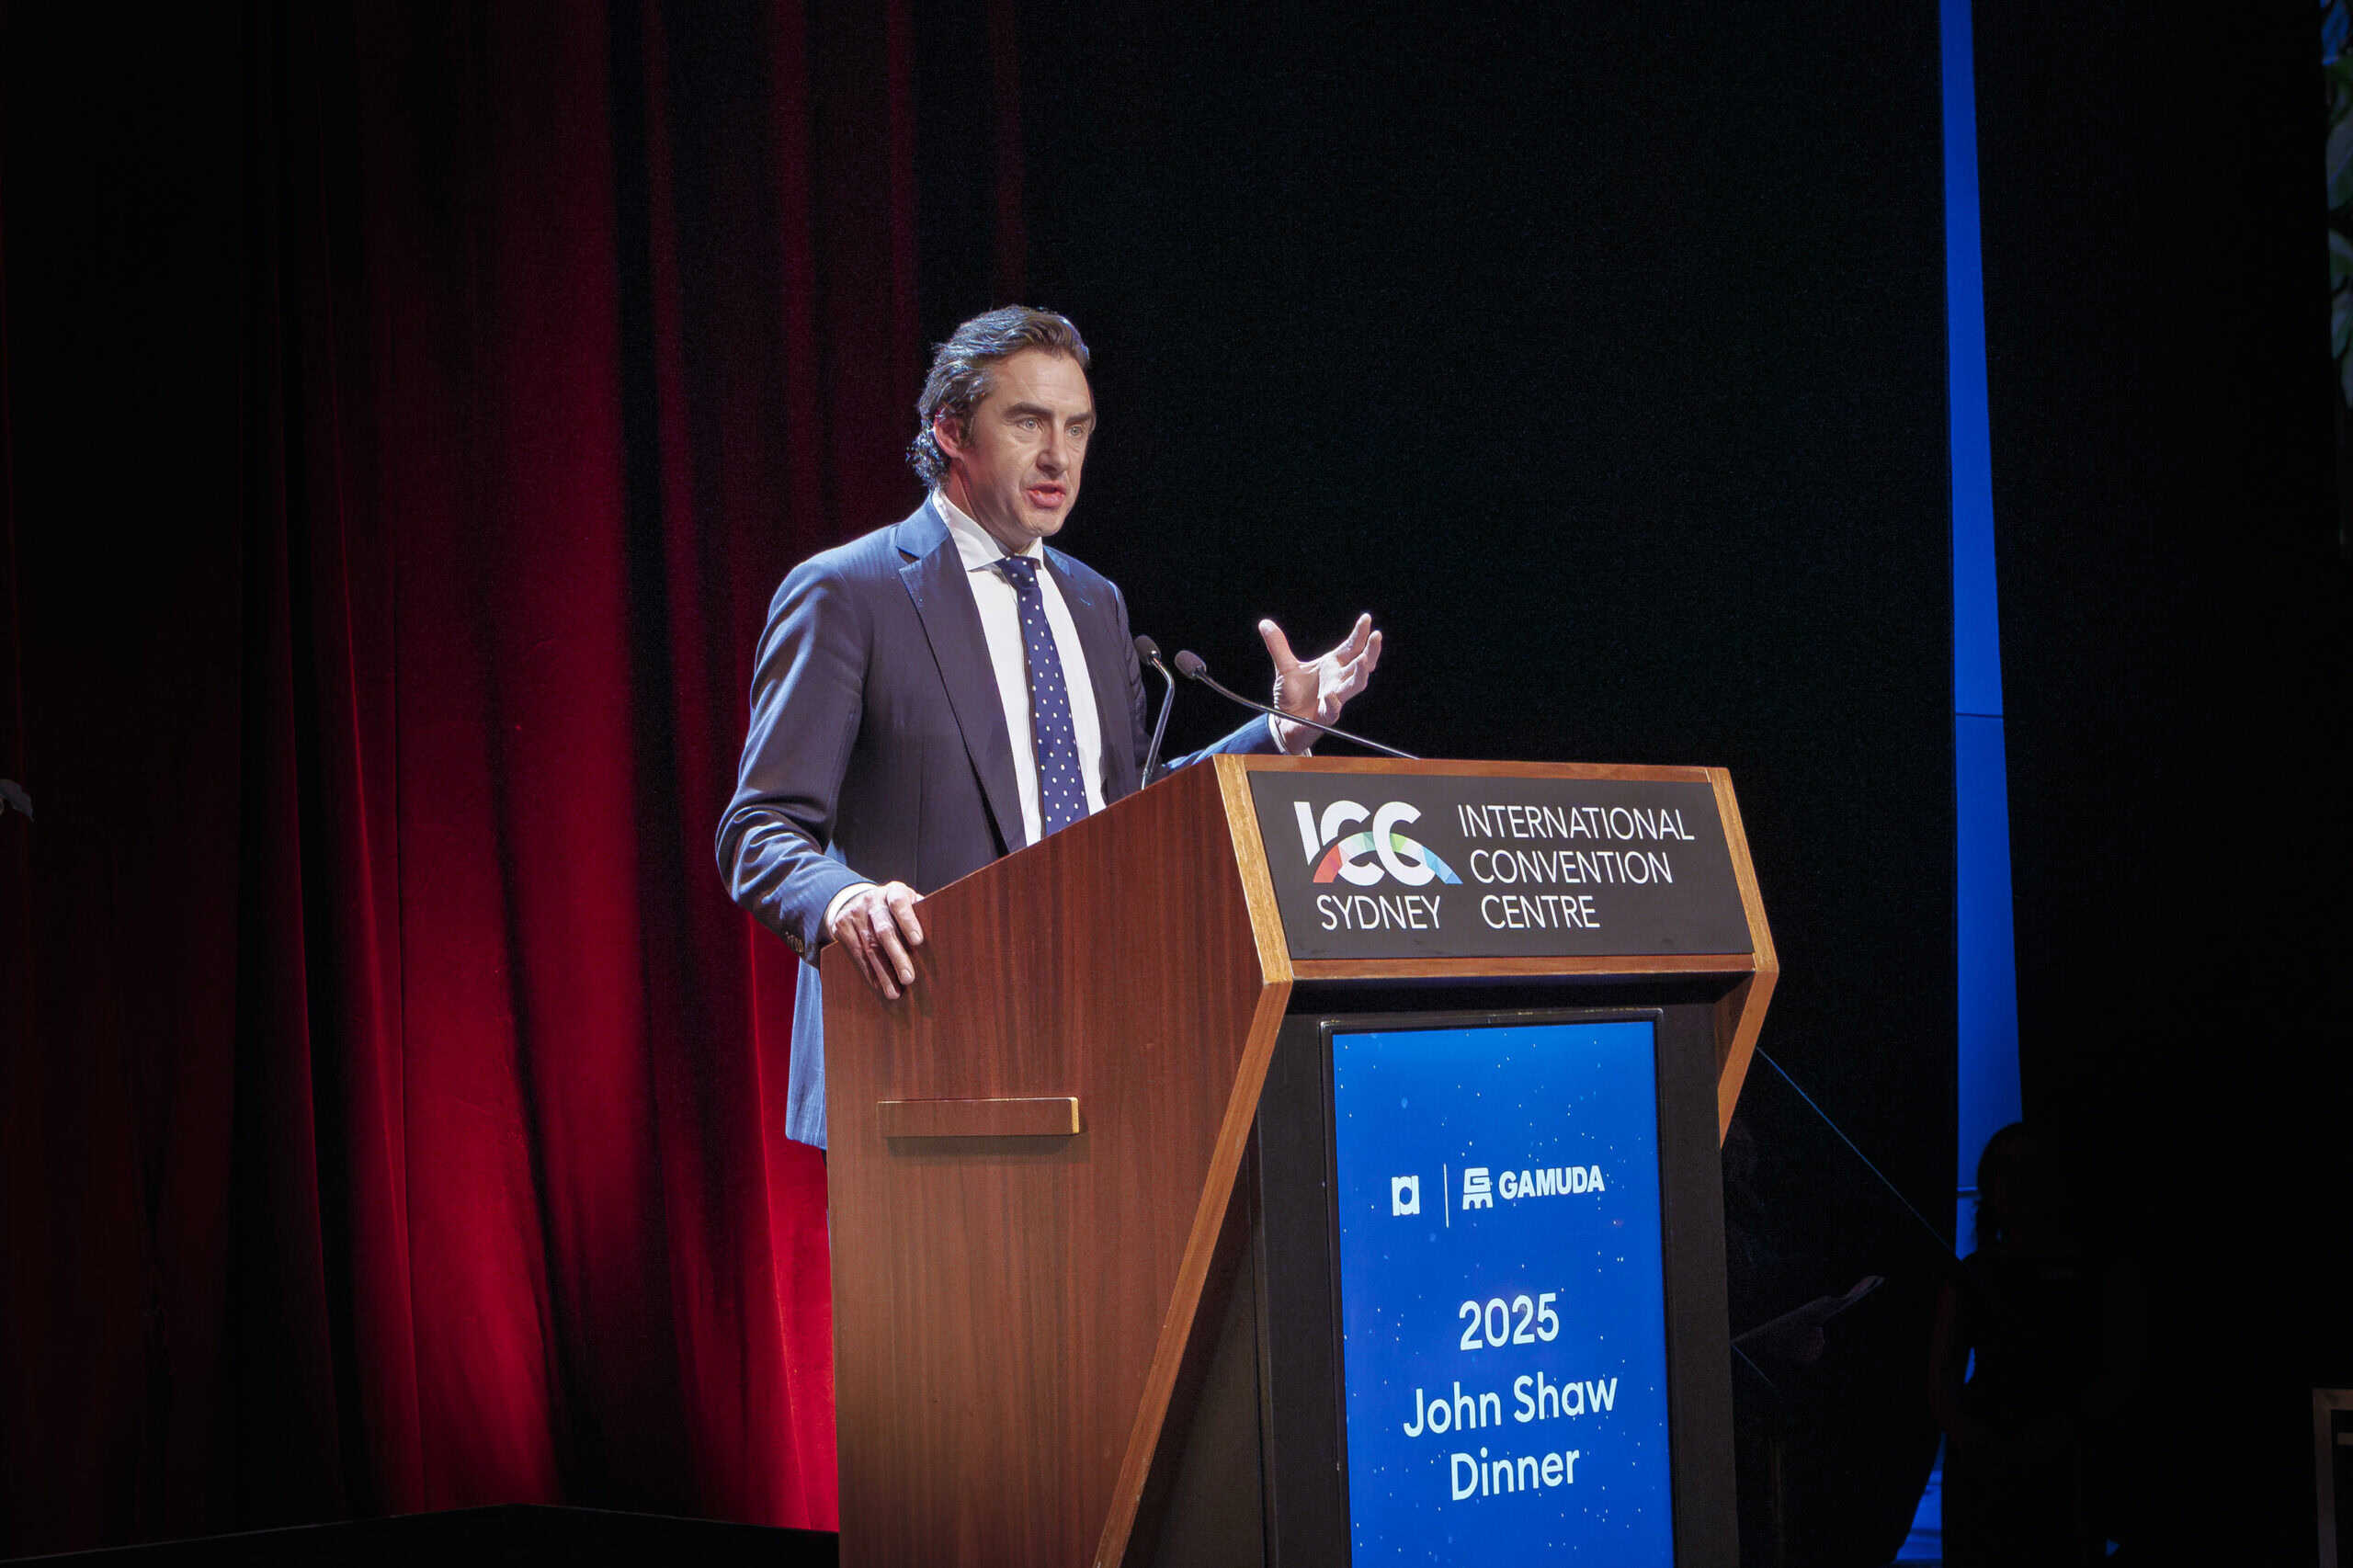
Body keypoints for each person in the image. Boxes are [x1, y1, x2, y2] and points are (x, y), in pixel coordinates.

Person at [716, 306, 1382, 1148]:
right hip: (921, 1064)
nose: (1058, 457)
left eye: (1078, 427)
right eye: (1028, 422)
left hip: (1099, 1050)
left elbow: (1132, 808)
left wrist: (1283, 729)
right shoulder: (851, 592)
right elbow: (759, 828)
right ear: (950, 430)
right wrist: (845, 899)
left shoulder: (1096, 603)